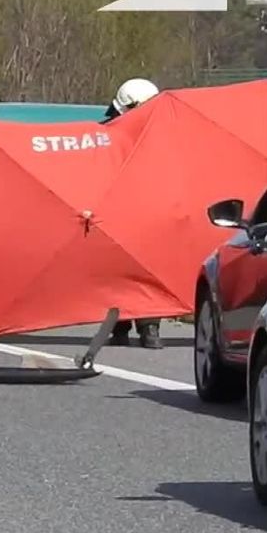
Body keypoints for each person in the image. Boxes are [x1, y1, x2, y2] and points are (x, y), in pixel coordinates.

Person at [103, 78, 163, 348]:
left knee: (124, 269)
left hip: (130, 212)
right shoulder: (167, 133)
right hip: (144, 212)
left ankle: (127, 325)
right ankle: (139, 327)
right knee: (145, 269)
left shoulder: (112, 134)